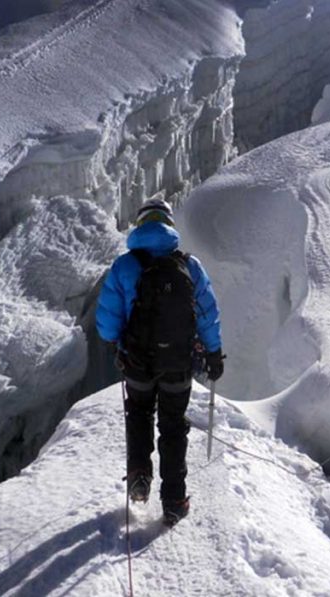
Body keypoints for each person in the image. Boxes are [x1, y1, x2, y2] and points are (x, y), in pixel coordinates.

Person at [96, 199, 224, 527]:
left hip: (137, 362)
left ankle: (139, 473)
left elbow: (107, 324)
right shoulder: (189, 265)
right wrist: (212, 352)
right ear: (168, 225)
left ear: (140, 226)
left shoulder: (125, 266)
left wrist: (120, 344)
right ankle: (174, 501)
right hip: (178, 364)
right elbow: (207, 313)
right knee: (173, 426)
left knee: (138, 414)